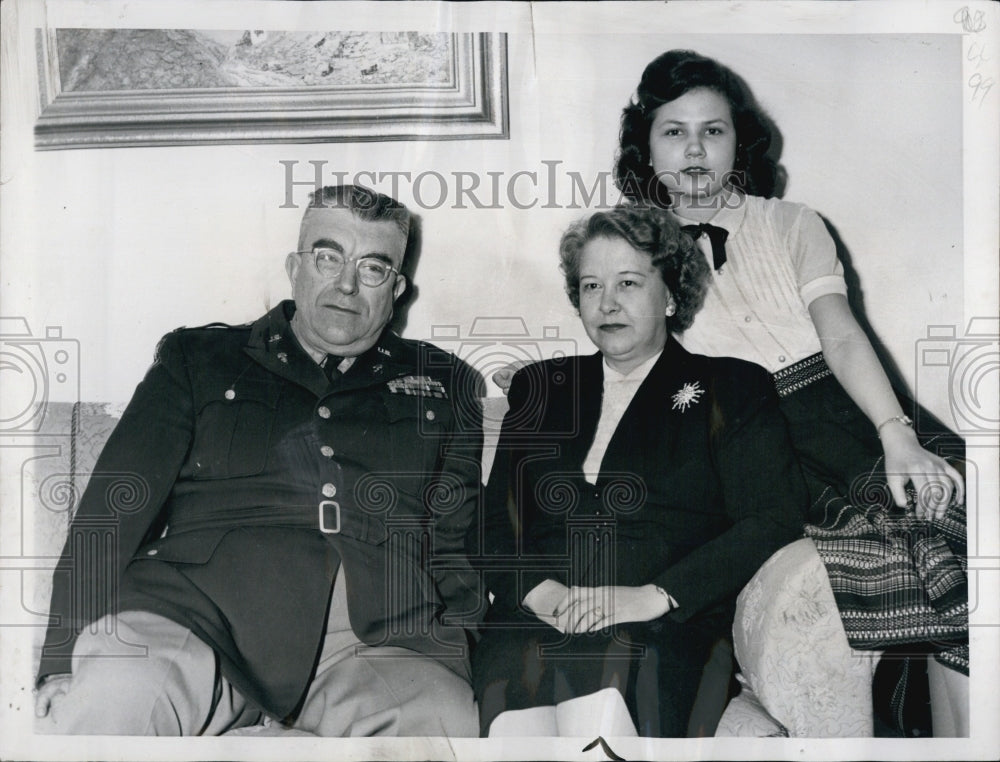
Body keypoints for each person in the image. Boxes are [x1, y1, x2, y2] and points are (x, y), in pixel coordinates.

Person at [34, 184, 484, 736]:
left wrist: (458, 658)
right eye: (328, 257)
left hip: (370, 639)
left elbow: (453, 546)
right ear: (294, 267)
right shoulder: (199, 358)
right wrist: (59, 657)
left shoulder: (445, 381)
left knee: (440, 716)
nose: (345, 283)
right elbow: (112, 510)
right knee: (120, 694)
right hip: (196, 618)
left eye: (373, 267)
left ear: (396, 288)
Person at [612, 50, 968, 735]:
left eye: (713, 130)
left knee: (961, 531)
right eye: (673, 130)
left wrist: (898, 436)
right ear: (644, 145)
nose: (693, 148)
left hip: (846, 415)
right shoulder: (626, 249)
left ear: (738, 142)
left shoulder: (793, 222)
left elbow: (840, 337)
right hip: (753, 445)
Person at [473, 205, 807, 737]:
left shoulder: (731, 387)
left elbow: (772, 516)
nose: (607, 303)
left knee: (605, 711)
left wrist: (653, 596)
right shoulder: (541, 388)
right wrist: (543, 593)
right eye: (590, 286)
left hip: (662, 627)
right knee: (519, 724)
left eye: (629, 283)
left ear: (671, 294)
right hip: (535, 620)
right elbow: (494, 522)